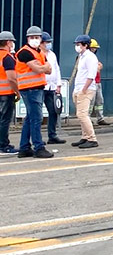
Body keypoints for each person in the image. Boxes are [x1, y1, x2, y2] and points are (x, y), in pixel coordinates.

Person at [15, 26, 54, 158]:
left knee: (30, 119)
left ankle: (24, 147)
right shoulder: (24, 52)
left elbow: (49, 69)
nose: (35, 40)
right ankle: (39, 147)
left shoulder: (39, 53)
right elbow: (38, 69)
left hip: (36, 88)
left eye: (37, 37)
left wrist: (41, 67)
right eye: (32, 37)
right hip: (30, 89)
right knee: (36, 118)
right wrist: (42, 67)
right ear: (27, 38)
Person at [71, 35, 99, 149]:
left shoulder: (90, 57)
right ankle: (85, 136)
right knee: (82, 114)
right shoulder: (81, 56)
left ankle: (92, 138)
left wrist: (83, 89)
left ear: (85, 45)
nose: (77, 47)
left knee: (82, 114)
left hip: (85, 89)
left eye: (79, 44)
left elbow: (91, 75)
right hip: (79, 88)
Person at [40, 32, 65, 144]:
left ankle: (52, 135)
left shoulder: (52, 55)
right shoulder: (38, 54)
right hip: (41, 87)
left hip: (51, 87)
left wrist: (58, 84)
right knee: (36, 114)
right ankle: (35, 138)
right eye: (47, 42)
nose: (49, 44)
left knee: (53, 111)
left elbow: (56, 69)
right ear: (41, 43)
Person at [0, 31, 20, 154]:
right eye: (12, 42)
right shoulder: (7, 57)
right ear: (8, 42)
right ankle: (3, 145)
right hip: (6, 93)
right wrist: (17, 92)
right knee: (4, 120)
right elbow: (11, 78)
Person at [88, 38, 109, 126]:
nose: (95, 49)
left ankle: (100, 118)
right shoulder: (85, 57)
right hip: (91, 83)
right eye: (93, 48)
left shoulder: (94, 57)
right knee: (90, 102)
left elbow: (99, 66)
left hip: (97, 82)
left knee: (99, 101)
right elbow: (96, 68)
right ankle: (87, 118)